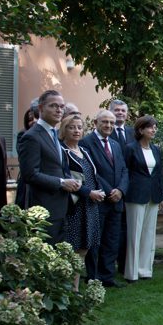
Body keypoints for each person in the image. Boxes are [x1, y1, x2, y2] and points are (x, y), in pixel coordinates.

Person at [18, 90, 78, 244]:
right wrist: (61, 182)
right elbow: (30, 174)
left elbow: (57, 166)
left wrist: (68, 179)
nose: (59, 110)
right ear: (41, 108)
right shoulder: (32, 136)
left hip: (60, 206)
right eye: (53, 106)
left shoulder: (54, 134)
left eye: (61, 106)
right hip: (43, 207)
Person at [79, 109, 129, 288]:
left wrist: (121, 191)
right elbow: (92, 172)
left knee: (111, 240)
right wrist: (110, 192)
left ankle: (108, 277)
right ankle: (93, 277)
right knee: (95, 241)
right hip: (98, 201)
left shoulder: (115, 144)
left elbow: (124, 170)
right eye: (105, 122)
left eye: (112, 123)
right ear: (96, 123)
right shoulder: (86, 143)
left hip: (117, 201)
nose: (109, 126)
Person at [59, 114, 105, 291]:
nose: (77, 130)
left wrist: (99, 191)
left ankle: (74, 287)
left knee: (84, 249)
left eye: (79, 127)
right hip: (75, 207)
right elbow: (67, 179)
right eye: (72, 127)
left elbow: (93, 175)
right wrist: (89, 193)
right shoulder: (63, 152)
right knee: (73, 248)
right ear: (64, 130)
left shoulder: (84, 150)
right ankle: (69, 287)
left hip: (90, 206)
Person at [123, 115, 163, 282]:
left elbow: (158, 175)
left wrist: (161, 196)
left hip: (153, 196)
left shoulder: (155, 149)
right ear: (141, 130)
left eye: (155, 127)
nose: (153, 129)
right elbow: (125, 172)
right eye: (150, 127)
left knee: (149, 233)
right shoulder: (131, 148)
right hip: (135, 195)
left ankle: (145, 270)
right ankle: (131, 273)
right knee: (134, 234)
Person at [109, 99, 134, 277]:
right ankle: (108, 266)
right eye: (116, 110)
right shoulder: (106, 131)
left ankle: (125, 264)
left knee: (127, 228)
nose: (120, 113)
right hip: (110, 188)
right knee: (112, 230)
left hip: (130, 187)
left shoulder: (133, 132)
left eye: (123, 111)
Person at [15, 106, 39, 208]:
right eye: (30, 120)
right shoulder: (24, 135)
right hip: (28, 186)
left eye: (37, 117)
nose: (34, 121)